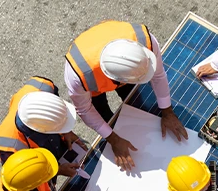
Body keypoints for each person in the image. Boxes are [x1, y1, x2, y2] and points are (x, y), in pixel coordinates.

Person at [64, 20, 188, 171]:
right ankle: (113, 126)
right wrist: (113, 139)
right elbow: (85, 109)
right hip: (92, 81)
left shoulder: (145, 43)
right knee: (103, 112)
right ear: (117, 79)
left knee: (132, 97)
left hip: (118, 70)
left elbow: (158, 76)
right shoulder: (79, 75)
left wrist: (168, 112)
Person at [0, 76, 88, 179]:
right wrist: (57, 170)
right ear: (44, 131)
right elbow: (28, 178)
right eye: (58, 128)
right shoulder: (11, 151)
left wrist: (66, 131)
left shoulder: (43, 86)